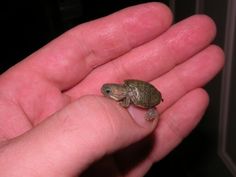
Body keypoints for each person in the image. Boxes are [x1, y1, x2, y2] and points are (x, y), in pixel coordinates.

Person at [0, 2, 224, 177]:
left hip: (147, 96)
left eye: (108, 92)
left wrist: (139, 112)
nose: (107, 92)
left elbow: (127, 101)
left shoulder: (125, 95)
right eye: (108, 91)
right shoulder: (123, 88)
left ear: (115, 92)